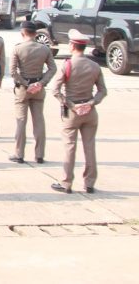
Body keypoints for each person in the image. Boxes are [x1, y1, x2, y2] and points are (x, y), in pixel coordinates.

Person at [51, 29, 108, 194]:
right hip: (90, 112)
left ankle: (66, 182)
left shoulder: (67, 65)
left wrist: (70, 105)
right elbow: (102, 91)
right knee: (89, 147)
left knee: (70, 147)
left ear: (71, 46)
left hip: (73, 112)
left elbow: (55, 90)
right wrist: (91, 103)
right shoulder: (94, 66)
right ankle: (89, 183)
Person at [8, 21, 57, 164]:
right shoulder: (44, 49)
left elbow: (13, 71)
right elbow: (53, 69)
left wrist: (25, 83)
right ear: (35, 34)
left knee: (21, 121)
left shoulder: (18, 49)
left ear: (22, 33)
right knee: (39, 121)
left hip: (23, 89)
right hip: (38, 89)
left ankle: (19, 154)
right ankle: (39, 154)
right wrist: (41, 83)